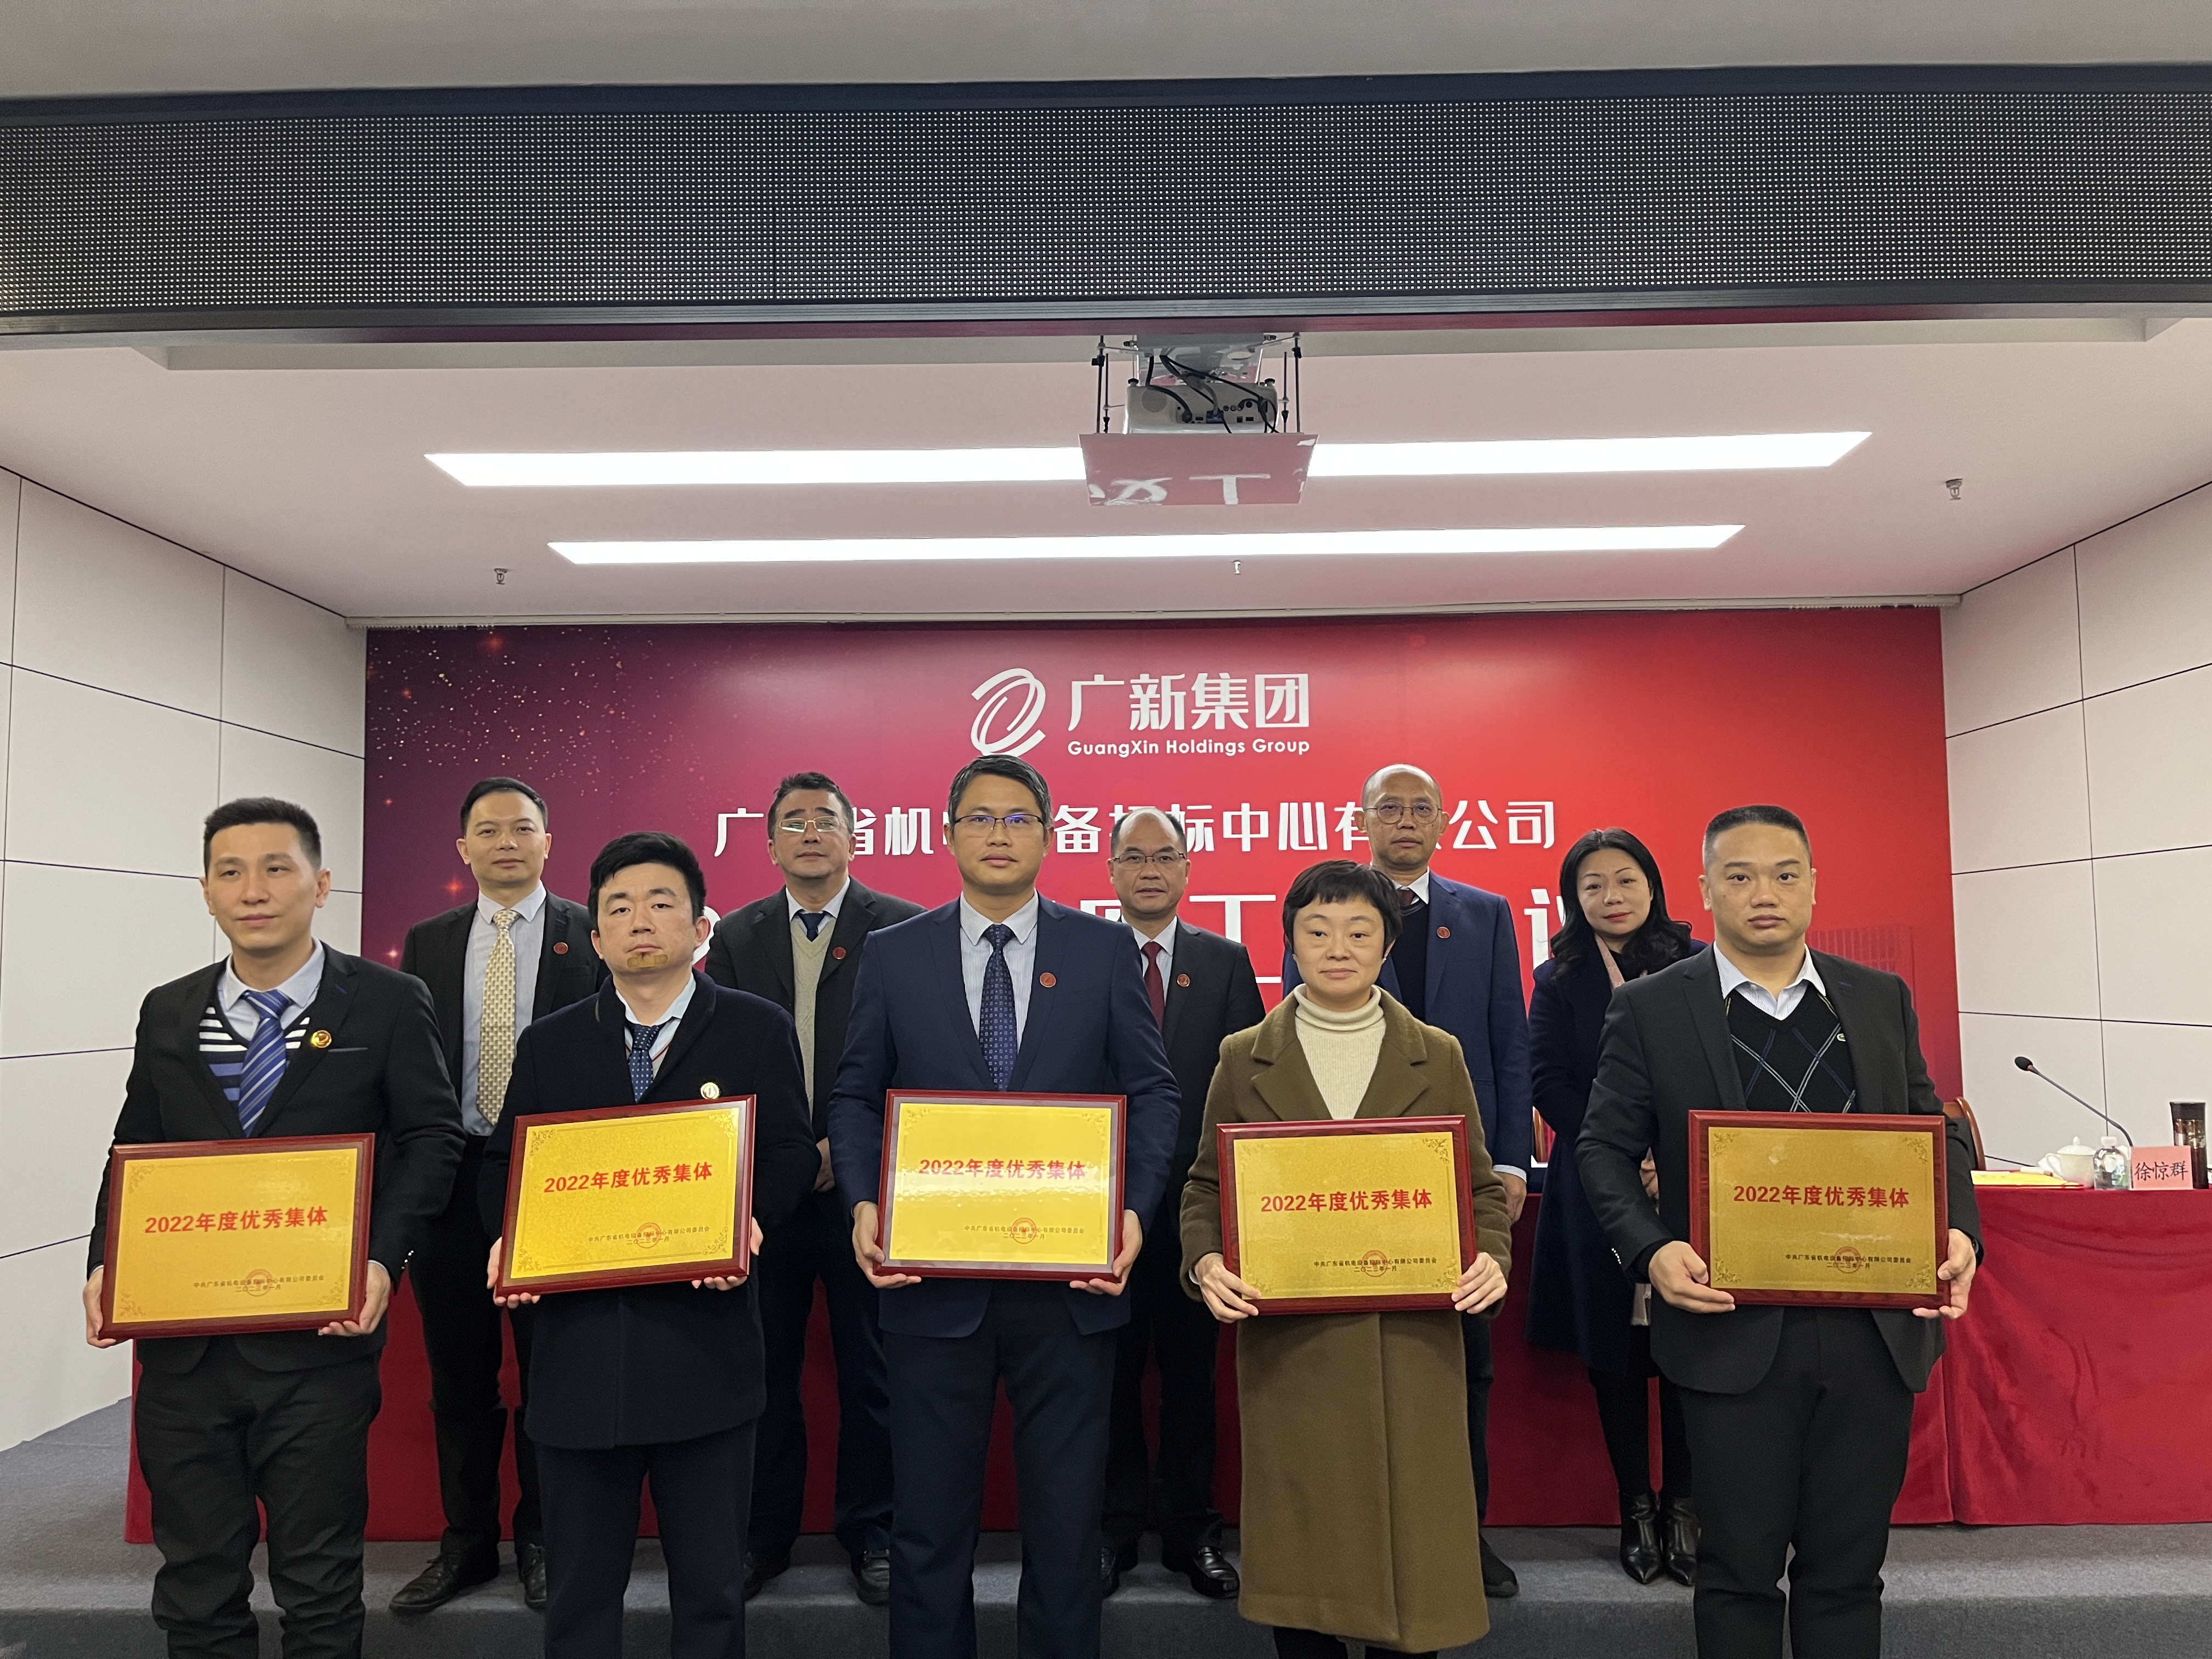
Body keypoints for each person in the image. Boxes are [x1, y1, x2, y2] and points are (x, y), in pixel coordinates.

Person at [1577, 805, 1983, 1659]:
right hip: (1731, 1332)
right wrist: (1652, 1249)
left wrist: (1958, 1232)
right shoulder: (1652, 1008)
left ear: (1813, 885)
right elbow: (1603, 1151)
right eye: (1740, 876)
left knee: (1848, 1574)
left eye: (1785, 874)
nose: (1765, 893)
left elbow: (1932, 1129)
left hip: (1874, 1329)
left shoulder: (1879, 997)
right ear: (1704, 889)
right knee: (1738, 1572)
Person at [82, 798, 466, 1659]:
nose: (253, 891)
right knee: (196, 1585)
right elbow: (135, 1148)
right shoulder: (169, 1011)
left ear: (320, 885)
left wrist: (382, 1258)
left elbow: (432, 1139)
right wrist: (106, 1261)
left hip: (318, 1347)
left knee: (319, 1584)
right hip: (185, 1350)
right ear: (207, 892)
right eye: (230, 872)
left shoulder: (388, 1002)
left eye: (276, 869)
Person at [827, 754, 1181, 1659]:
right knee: (928, 1526)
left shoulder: (1102, 950)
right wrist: (864, 1201)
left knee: (1065, 1527)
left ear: (1049, 837)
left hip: (1070, 1286)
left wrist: (1135, 1212)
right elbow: (856, 1094)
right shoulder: (894, 952)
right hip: (931, 1284)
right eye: (980, 818)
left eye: (1019, 819)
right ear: (947, 836)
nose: (998, 834)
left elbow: (1154, 1091)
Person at [481, 831, 820, 1659]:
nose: (641, 920)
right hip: (579, 1359)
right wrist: (511, 1237)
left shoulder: (755, 1028)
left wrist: (749, 1219)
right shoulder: (552, 1041)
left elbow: (788, 1152)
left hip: (706, 1355)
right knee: (579, 1596)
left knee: (710, 1596)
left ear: (702, 928)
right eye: (620, 908)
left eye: (662, 903)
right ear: (595, 938)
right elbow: (504, 1163)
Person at [1184, 859, 1513, 1659]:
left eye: (1360, 932)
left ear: (1387, 946)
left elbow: (1478, 1189)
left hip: (1412, 1344)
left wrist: (1493, 1258)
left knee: (1412, 1574)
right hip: (1293, 1346)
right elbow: (1205, 1187)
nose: (1339, 948)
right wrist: (1206, 1262)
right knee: (1307, 1565)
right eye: (1319, 931)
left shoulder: (1437, 1054)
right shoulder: (1243, 1056)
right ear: (1290, 943)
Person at [1279, 763, 1532, 1600]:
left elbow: (1509, 1040)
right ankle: (1353, 1540)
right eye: (1390, 808)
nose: (1407, 820)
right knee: (1354, 1366)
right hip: (1352, 1177)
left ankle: (1464, 1535)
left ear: (1445, 820)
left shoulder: (1485, 914)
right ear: (1363, 819)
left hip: (1456, 1171)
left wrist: (1509, 1161)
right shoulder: (1328, 911)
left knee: (1463, 1363)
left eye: (1423, 808)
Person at [701, 771, 924, 1606]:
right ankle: (764, 1535)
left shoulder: (902, 927)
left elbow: (916, 1052)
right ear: (768, 844)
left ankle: (875, 1532)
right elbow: (723, 1056)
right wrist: (791, 1152)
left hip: (868, 1187)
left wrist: (844, 1145)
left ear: (853, 837)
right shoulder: (735, 936)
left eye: (824, 820)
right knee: (764, 1368)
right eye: (792, 822)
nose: (809, 832)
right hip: (768, 1189)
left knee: (876, 1368)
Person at [393, 775, 605, 1615]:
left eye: (522, 828)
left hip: (555, 1181)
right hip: (452, 1182)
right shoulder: (430, 940)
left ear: (549, 841)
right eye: (488, 830)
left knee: (552, 1372)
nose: (506, 842)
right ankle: (468, 1543)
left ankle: (545, 1538)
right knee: (461, 1375)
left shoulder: (591, 934)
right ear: (464, 849)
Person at [1525, 828, 1702, 1585]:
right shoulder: (1558, 977)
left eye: (1625, 879)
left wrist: (1670, 1155)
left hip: (1689, 1180)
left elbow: (1716, 1070)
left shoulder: (1698, 964)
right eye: (1592, 885)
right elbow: (1547, 1081)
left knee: (1694, 1346)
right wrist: (1622, 1156)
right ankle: (1636, 1508)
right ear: (1574, 899)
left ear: (1653, 885)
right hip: (1598, 1185)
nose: (1611, 896)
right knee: (1616, 1354)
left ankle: (1685, 1506)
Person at [1099, 807, 1265, 1600]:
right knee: (1110, 1375)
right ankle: (1111, 1531)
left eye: (1165, 856)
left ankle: (1192, 1532)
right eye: (1134, 857)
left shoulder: (1225, 961)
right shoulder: (1084, 954)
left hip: (1199, 1207)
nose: (1150, 870)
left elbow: (1249, 1085)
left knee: (1193, 1377)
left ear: (1189, 870)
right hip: (1103, 1206)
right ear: (1110, 870)